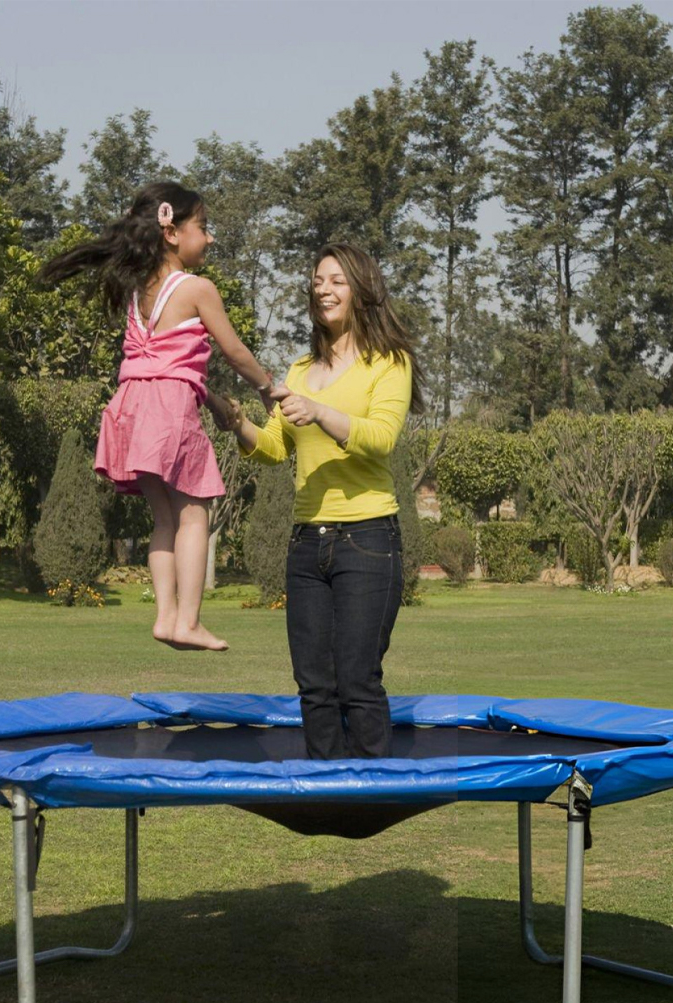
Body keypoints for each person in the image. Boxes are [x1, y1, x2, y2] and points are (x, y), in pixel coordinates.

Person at [40, 181, 275, 651]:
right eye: (203, 228)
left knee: (164, 519)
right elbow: (234, 351)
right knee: (195, 515)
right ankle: (187, 620)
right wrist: (270, 389)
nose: (209, 239)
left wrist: (210, 400)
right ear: (172, 233)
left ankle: (166, 616)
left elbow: (166, 365)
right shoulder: (196, 288)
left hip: (130, 408)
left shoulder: (138, 292)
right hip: (167, 412)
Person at [223, 242, 425, 758]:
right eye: (317, 281)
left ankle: (373, 792)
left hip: (368, 539)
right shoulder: (298, 369)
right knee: (314, 685)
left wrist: (318, 411)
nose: (322, 289)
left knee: (357, 680)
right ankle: (326, 791)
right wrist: (238, 422)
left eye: (335, 280)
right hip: (306, 546)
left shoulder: (389, 362)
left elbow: (380, 438)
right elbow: (272, 449)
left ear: (361, 289)